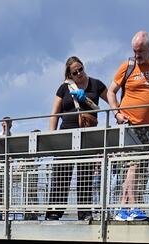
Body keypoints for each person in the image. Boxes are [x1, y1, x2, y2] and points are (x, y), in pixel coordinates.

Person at [110, 31, 149, 221]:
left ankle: (123, 208)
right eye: (135, 51)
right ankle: (134, 207)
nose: (137, 55)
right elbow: (111, 91)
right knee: (133, 164)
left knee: (141, 167)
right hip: (129, 125)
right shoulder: (127, 66)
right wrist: (117, 113)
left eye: (141, 52)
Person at [47, 56, 109, 221]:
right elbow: (55, 112)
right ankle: (54, 211)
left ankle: (85, 212)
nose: (79, 73)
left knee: (85, 174)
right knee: (61, 174)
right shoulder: (64, 88)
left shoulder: (96, 84)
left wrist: (118, 114)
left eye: (80, 69)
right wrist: (52, 136)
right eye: (75, 72)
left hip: (87, 135)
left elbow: (113, 101)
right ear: (70, 75)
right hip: (66, 134)